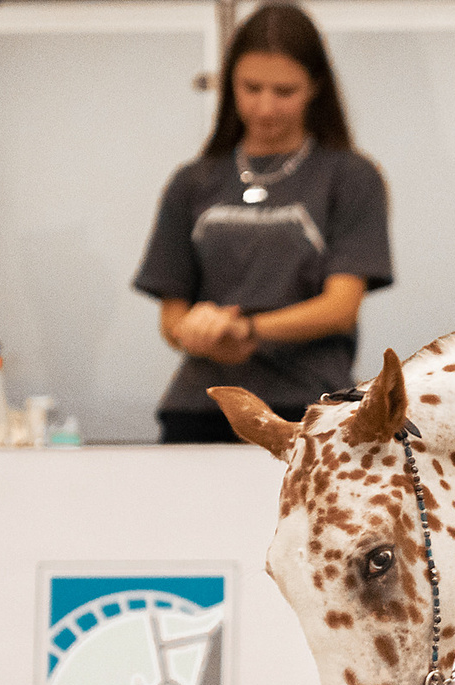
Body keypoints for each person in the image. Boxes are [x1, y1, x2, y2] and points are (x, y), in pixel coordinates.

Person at [133, 2, 392, 444]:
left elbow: (341, 305)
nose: (266, 107)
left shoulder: (350, 177)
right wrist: (196, 332)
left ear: (315, 87)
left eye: (284, 91)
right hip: (201, 407)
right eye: (251, 88)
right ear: (229, 83)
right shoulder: (192, 181)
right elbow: (171, 315)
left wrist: (246, 331)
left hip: (310, 413)